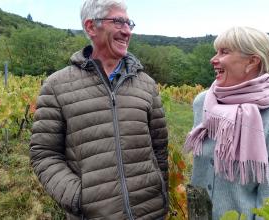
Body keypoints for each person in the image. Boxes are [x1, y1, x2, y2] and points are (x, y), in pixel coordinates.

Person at [29, 0, 169, 219]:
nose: (126, 31)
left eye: (128, 23)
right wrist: (78, 198)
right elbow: (44, 154)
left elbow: (159, 149)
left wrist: (161, 193)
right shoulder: (56, 85)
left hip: (150, 213)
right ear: (91, 27)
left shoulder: (147, 84)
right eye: (118, 21)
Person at [184, 26, 269, 219]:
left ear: (252, 61)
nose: (213, 59)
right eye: (216, 51)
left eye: (224, 52)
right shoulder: (203, 102)